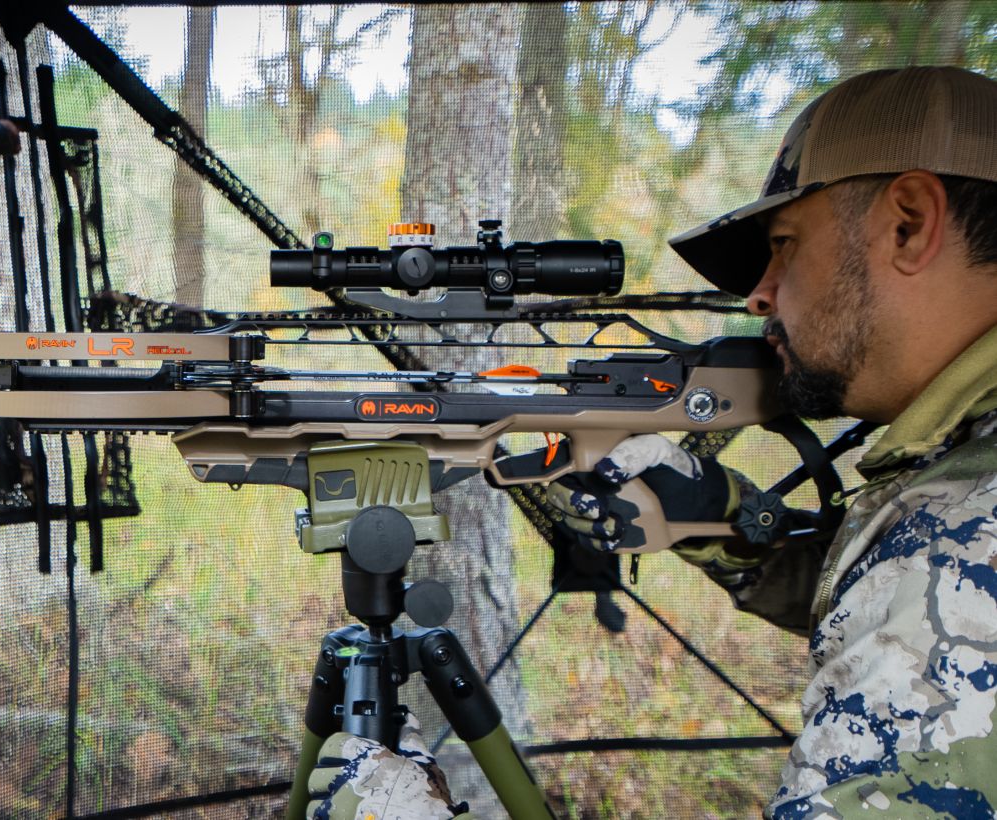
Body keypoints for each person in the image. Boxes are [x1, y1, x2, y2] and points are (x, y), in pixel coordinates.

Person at [306, 65, 997, 819]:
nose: (760, 294)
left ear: (909, 222)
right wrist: (717, 516)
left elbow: (929, 601)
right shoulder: (959, 471)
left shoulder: (959, 533)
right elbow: (870, 598)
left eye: (786, 245)